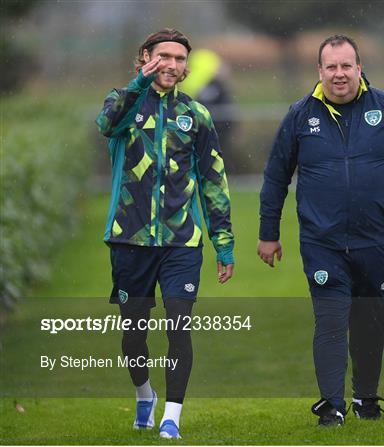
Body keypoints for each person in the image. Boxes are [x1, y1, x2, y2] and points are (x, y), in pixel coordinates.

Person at [257, 35, 384, 427]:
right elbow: (275, 177)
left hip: (375, 243)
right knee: (331, 320)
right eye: (331, 67)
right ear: (319, 71)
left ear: (359, 68)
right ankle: (332, 404)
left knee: (368, 326)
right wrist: (269, 232)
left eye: (346, 66)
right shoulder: (301, 115)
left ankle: (366, 399)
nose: (339, 74)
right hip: (323, 244)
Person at [96, 28, 234, 439]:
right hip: (129, 239)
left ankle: (172, 416)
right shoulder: (122, 105)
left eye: (178, 58)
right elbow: (106, 123)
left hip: (181, 242)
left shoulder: (197, 115)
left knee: (179, 324)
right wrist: (139, 82)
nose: (171, 64)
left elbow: (214, 183)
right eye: (163, 57)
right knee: (133, 334)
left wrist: (223, 245)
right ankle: (144, 394)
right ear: (145, 58)